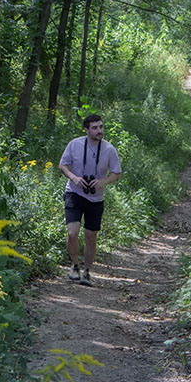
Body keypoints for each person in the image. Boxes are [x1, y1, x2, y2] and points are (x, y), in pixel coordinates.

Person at [59, 113, 122, 286]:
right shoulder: (75, 144)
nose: (99, 131)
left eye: (101, 127)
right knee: (72, 233)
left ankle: (87, 271)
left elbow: (117, 173)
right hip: (74, 193)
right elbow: (63, 165)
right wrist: (74, 178)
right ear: (86, 130)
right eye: (94, 128)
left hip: (95, 198)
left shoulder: (109, 149)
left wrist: (103, 182)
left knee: (91, 235)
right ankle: (74, 266)